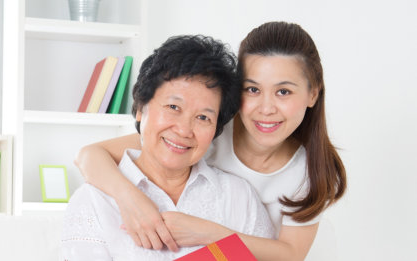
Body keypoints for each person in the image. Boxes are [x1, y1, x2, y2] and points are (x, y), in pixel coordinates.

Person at [75, 21, 347, 260]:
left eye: (283, 92)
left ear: (313, 94)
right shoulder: (207, 131)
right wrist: (131, 199)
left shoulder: (312, 171)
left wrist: (208, 232)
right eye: (252, 89)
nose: (266, 108)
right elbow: (90, 155)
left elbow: (290, 255)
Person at [61, 35, 273, 260]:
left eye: (203, 117)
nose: (184, 130)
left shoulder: (238, 196)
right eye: (173, 107)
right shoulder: (94, 201)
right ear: (141, 108)